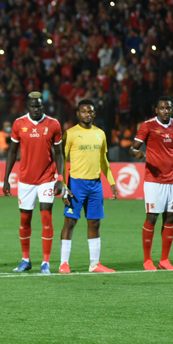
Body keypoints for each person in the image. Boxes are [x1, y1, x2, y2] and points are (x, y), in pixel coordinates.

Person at [3, 92, 63, 274]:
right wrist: (6, 179)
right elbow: (12, 152)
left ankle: (46, 263)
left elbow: (59, 153)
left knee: (46, 217)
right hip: (26, 180)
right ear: (27, 107)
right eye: (32, 106)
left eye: (39, 106)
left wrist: (60, 178)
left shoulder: (53, 124)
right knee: (25, 219)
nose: (36, 109)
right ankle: (25, 259)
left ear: (43, 106)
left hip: (47, 178)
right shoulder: (19, 124)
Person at [130, 96, 173, 271]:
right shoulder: (148, 125)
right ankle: (147, 260)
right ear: (156, 110)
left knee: (170, 217)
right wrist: (137, 153)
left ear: (172, 110)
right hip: (153, 181)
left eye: (168, 108)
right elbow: (132, 147)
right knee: (152, 217)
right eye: (162, 108)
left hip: (172, 181)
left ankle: (164, 260)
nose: (165, 111)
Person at [59, 99, 119, 274]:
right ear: (78, 114)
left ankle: (94, 264)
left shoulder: (100, 134)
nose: (87, 114)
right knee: (70, 222)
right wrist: (63, 186)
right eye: (83, 111)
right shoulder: (70, 134)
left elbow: (103, 160)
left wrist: (112, 182)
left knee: (94, 223)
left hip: (95, 184)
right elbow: (61, 161)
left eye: (90, 111)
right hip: (76, 184)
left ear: (94, 114)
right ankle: (64, 263)